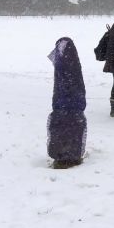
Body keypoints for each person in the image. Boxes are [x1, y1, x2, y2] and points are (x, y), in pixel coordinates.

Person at [47, 37, 87, 168]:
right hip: (69, 104)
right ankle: (70, 156)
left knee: (64, 128)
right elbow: (76, 83)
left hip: (64, 104)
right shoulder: (71, 62)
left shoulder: (64, 63)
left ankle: (63, 155)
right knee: (70, 127)